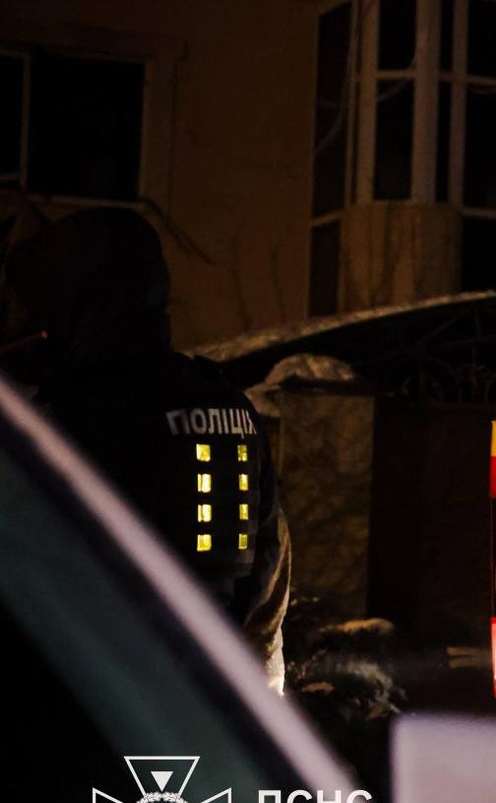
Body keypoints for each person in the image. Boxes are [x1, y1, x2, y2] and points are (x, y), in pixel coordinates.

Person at [3, 208, 291, 689]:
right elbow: (269, 583)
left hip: (96, 721)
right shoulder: (224, 403)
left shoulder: (65, 420)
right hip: (203, 713)